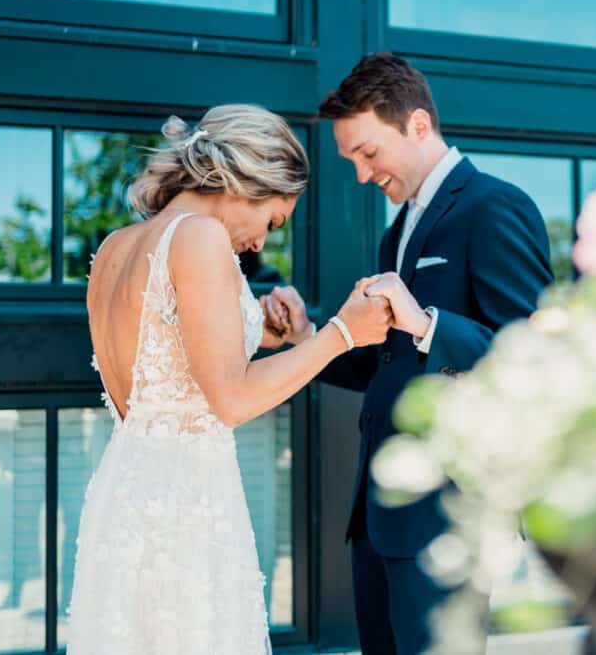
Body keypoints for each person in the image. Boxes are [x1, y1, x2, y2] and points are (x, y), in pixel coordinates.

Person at [67, 104, 392, 654]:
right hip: (186, 504)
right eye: (272, 221)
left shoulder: (116, 247)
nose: (263, 244)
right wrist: (342, 332)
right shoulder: (199, 237)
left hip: (124, 493)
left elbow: (164, 354)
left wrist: (260, 328)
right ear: (245, 180)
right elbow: (231, 399)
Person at [265, 53, 554, 655]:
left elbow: (529, 361)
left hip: (445, 514)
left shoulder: (494, 207)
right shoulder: (398, 231)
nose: (364, 176)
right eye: (353, 163)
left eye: (368, 154)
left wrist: (426, 322)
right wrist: (307, 336)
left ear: (418, 124)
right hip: (379, 516)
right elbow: (389, 361)